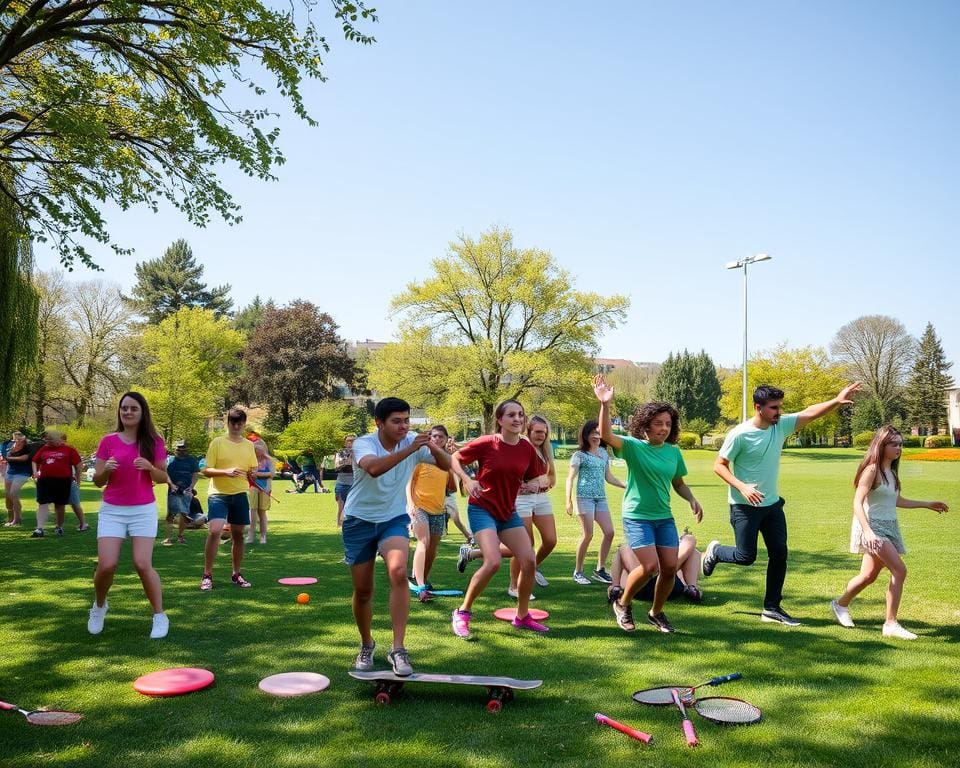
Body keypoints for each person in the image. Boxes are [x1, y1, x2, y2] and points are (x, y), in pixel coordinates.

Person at [701, 381, 861, 626]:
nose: (779, 412)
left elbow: (809, 412)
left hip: (772, 505)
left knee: (780, 554)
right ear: (758, 407)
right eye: (774, 407)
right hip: (744, 507)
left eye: (780, 407)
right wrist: (742, 487)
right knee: (746, 556)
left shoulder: (780, 425)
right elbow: (718, 466)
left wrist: (836, 401)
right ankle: (715, 552)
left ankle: (771, 608)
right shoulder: (740, 434)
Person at [343, 397, 451, 676]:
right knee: (364, 590)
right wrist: (413, 448)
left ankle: (398, 648)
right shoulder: (363, 443)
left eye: (406, 420)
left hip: (393, 518)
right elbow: (374, 468)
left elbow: (446, 465)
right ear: (379, 423)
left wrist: (433, 447)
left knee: (399, 570)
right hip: (359, 521)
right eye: (396, 421)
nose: (404, 426)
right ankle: (367, 644)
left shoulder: (414, 440)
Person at [593, 376, 704, 633]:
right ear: (645, 425)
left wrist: (691, 498)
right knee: (649, 566)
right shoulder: (633, 447)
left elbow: (678, 483)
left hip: (663, 517)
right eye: (658, 423)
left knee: (668, 569)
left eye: (667, 424)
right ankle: (623, 604)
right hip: (637, 516)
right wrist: (605, 404)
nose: (664, 428)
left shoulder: (673, 452)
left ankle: (655, 612)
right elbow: (606, 434)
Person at [830, 426, 949, 640]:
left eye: (900, 444)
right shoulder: (871, 470)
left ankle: (840, 604)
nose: (899, 448)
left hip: (890, 525)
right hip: (873, 527)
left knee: (868, 576)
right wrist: (868, 532)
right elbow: (857, 502)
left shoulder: (891, 473)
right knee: (900, 570)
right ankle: (891, 623)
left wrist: (927, 504)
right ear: (881, 445)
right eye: (894, 443)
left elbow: (896, 501)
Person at [450, 399, 548, 639]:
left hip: (508, 512)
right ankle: (462, 612)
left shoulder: (526, 448)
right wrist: (467, 479)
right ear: (500, 420)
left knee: (529, 560)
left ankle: (522, 616)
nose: (517, 419)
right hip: (482, 509)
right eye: (512, 415)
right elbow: (454, 459)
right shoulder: (487, 443)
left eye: (521, 415)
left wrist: (532, 484)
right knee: (493, 561)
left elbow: (537, 476)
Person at [88, 392, 170, 638]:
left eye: (133, 408)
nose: (128, 412)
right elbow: (97, 481)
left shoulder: (154, 441)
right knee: (106, 565)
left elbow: (163, 477)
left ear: (142, 412)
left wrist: (150, 467)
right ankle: (99, 606)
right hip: (112, 510)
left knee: (142, 563)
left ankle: (159, 615)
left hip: (142, 509)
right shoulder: (108, 440)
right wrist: (106, 471)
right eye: (124, 408)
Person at [200, 408, 258, 590]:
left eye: (240, 423)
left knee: (238, 535)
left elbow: (252, 470)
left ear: (244, 424)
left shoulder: (249, 445)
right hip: (218, 493)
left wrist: (253, 474)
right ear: (228, 423)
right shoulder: (217, 442)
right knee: (215, 530)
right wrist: (225, 471)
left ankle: (236, 574)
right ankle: (207, 574)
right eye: (233, 422)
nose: (236, 426)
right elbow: (206, 470)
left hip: (240, 493)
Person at [566, 419, 626, 586]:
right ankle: (578, 571)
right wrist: (568, 501)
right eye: (592, 433)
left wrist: (627, 486)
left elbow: (609, 477)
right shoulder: (579, 455)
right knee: (588, 535)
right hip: (583, 498)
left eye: (598, 433)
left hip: (600, 499)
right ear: (585, 435)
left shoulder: (603, 454)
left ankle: (600, 570)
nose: (596, 436)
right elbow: (570, 479)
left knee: (609, 532)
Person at [507, 415, 557, 596]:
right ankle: (514, 586)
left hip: (542, 498)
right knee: (525, 544)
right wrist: (525, 485)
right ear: (528, 431)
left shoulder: (546, 449)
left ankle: (532, 566)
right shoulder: (522, 447)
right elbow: (509, 474)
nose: (541, 435)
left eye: (544, 432)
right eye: (537, 431)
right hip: (522, 499)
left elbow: (552, 478)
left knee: (551, 540)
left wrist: (543, 482)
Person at [407, 425, 453, 601]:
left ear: (447, 439)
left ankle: (422, 578)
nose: (437, 439)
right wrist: (411, 504)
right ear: (429, 438)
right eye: (434, 436)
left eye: (441, 436)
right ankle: (420, 587)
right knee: (423, 542)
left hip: (438, 510)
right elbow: (408, 483)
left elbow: (452, 486)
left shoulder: (447, 461)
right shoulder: (421, 458)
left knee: (432, 550)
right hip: (419, 507)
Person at [608, 531, 703, 607]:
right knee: (692, 549)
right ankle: (692, 587)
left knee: (623, 549)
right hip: (665, 585)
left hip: (641, 587)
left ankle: (615, 587)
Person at [30, 431, 83, 537]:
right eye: (46, 439)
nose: (47, 441)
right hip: (45, 480)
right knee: (42, 503)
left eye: (50, 439)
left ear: (58, 439)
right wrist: (35, 472)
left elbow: (78, 464)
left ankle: (59, 527)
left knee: (59, 504)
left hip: (63, 481)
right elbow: (34, 460)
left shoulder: (69, 449)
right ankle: (39, 528)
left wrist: (78, 478)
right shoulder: (44, 449)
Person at [163, 441, 202, 546]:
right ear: (175, 449)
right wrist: (171, 484)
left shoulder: (192, 461)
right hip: (173, 490)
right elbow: (165, 474)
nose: (181, 451)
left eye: (183, 448)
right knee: (170, 515)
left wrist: (191, 487)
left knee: (184, 514)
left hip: (186, 491)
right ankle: (168, 538)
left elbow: (195, 475)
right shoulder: (170, 460)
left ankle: (180, 536)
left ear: (186, 449)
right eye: (178, 449)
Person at [444, 437, 473, 543]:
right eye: (448, 443)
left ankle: (469, 536)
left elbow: (467, 471)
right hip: (435, 492)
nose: (450, 445)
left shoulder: (455, 458)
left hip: (448, 493)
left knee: (455, 516)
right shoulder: (436, 455)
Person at [3, 431, 34, 526]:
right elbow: (5, 455)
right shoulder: (9, 445)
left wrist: (8, 459)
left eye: (19, 438)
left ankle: (16, 520)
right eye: (15, 438)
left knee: (13, 493)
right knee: (8, 496)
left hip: (23, 473)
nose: (17, 440)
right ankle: (10, 518)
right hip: (10, 473)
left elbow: (24, 458)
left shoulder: (28, 447)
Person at [246, 439, 274, 544]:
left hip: (265, 488)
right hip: (253, 486)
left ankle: (263, 536)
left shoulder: (269, 460)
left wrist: (258, 474)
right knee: (252, 510)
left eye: (259, 450)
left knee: (262, 512)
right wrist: (250, 474)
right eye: (256, 450)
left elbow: (271, 473)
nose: (258, 452)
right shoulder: (251, 460)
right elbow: (248, 473)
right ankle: (251, 535)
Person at [334, 435, 356, 527]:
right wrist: (346, 462)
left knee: (354, 507)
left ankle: (352, 525)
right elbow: (336, 467)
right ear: (345, 442)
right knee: (341, 506)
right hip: (342, 483)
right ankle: (339, 525)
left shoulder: (360, 453)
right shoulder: (340, 453)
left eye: (352, 441)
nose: (350, 443)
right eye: (348, 441)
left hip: (355, 484)